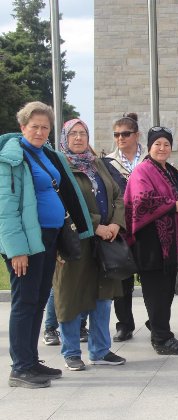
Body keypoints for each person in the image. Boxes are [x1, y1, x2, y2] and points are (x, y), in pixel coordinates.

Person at [0, 102, 93, 388]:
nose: (40, 132)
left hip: (49, 238)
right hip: (27, 241)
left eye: (45, 127)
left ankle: (30, 360)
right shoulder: (12, 157)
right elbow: (5, 207)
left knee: (38, 301)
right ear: (22, 127)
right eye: (34, 126)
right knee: (25, 303)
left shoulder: (45, 155)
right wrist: (16, 250)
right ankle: (20, 367)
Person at [54, 118, 127, 371]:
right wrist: (95, 225)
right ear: (64, 137)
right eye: (72, 133)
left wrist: (116, 224)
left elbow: (118, 195)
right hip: (75, 241)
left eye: (82, 133)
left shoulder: (97, 164)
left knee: (103, 297)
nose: (78, 138)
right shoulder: (60, 167)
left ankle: (100, 350)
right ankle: (71, 351)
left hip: (105, 242)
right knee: (71, 297)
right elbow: (65, 203)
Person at [123, 127, 178, 355]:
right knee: (156, 290)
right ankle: (161, 339)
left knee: (166, 290)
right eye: (157, 144)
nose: (162, 148)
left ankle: (157, 325)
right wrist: (173, 205)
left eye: (166, 144)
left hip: (169, 243)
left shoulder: (170, 171)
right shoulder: (143, 171)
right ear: (150, 146)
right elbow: (141, 201)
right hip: (150, 241)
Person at [104, 113, 145, 343]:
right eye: (116, 134)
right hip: (122, 227)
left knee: (152, 277)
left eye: (125, 134)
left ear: (136, 135)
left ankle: (157, 320)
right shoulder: (108, 163)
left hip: (148, 226)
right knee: (123, 279)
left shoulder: (150, 159)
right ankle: (124, 324)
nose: (120, 138)